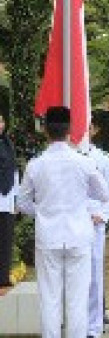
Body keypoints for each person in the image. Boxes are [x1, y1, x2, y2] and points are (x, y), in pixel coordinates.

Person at [17, 106, 109, 338]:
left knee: (49, 300)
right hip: (79, 236)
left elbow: (22, 203)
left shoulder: (35, 164)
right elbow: (104, 195)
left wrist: (42, 212)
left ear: (45, 131)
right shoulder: (83, 162)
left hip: (48, 238)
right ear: (70, 130)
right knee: (78, 301)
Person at [86, 120, 109, 338]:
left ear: (94, 130)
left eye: (87, 126)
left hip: (93, 225)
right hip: (69, 225)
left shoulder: (103, 159)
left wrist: (103, 215)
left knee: (94, 277)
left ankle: (93, 328)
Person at [0, 113, 18, 290]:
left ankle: (3, 277)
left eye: (1, 121)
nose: (0, 124)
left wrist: (15, 199)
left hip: (6, 198)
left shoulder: (8, 144)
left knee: (5, 238)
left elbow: (14, 172)